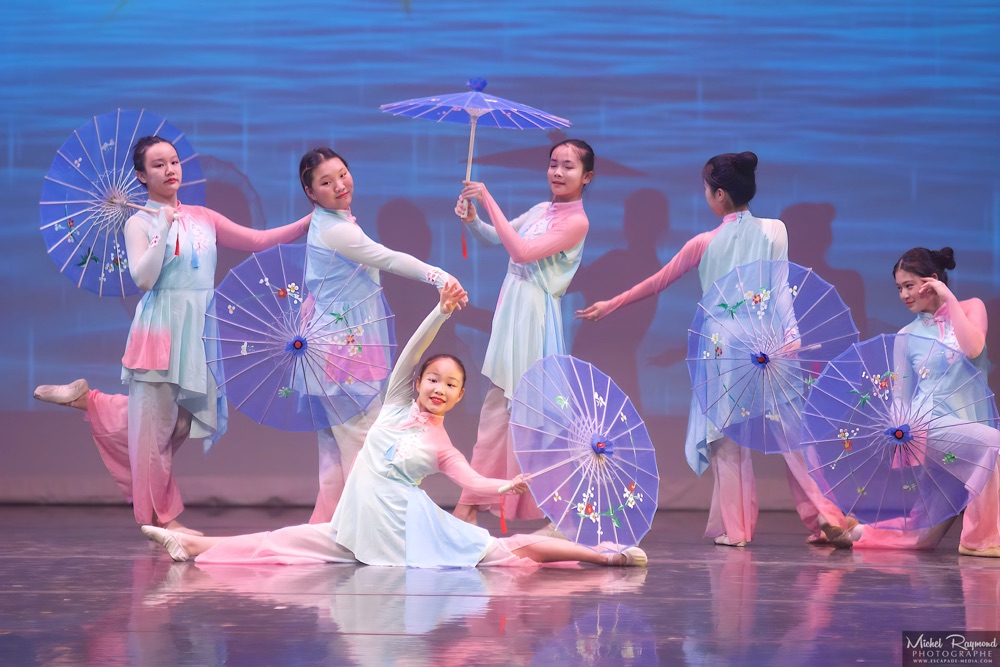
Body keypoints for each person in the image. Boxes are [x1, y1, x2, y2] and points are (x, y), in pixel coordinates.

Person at [140, 284, 648, 568]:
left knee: (506, 551)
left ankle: (605, 557)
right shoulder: (395, 406)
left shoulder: (442, 444)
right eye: (433, 379)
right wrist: (440, 313)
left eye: (451, 385)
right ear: (419, 382)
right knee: (280, 542)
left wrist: (506, 486)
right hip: (360, 524)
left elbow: (471, 481)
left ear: (460, 396)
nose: (439, 388)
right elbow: (411, 351)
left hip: (404, 529)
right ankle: (192, 544)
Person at [33, 135, 311, 533]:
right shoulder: (138, 222)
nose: (170, 170)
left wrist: (309, 221)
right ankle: (165, 521)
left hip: (199, 330)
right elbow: (144, 279)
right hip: (161, 328)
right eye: (158, 165)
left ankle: (91, 402)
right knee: (154, 436)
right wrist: (161, 228)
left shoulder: (203, 217)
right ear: (141, 176)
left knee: (177, 425)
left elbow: (258, 240)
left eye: (174, 162)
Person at [576, 151, 854, 547]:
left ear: (719, 194)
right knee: (794, 435)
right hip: (767, 341)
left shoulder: (705, 242)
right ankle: (826, 515)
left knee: (727, 441)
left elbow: (658, 281)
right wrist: (791, 334)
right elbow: (781, 289)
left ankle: (737, 530)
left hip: (722, 347)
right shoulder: (775, 229)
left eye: (707, 189)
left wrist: (611, 304)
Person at [296, 147, 467, 524]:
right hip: (344, 352)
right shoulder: (337, 230)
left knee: (336, 453)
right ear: (311, 192)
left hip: (337, 346)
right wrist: (439, 277)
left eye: (342, 174)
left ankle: (329, 531)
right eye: (326, 182)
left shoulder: (330, 221)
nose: (340, 185)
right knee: (365, 448)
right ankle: (371, 530)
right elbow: (388, 258)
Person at [450, 139, 594, 528]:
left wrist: (487, 198)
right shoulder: (541, 209)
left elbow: (522, 252)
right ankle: (471, 503)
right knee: (498, 410)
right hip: (513, 310)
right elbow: (494, 237)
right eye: (553, 164)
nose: (558, 172)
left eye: (568, 166)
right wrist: (472, 218)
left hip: (533, 315)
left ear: (587, 177)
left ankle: (558, 510)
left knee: (533, 414)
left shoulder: (577, 222)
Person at [824, 247, 1000, 557]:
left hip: (967, 427)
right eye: (899, 288)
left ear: (932, 281)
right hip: (929, 426)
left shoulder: (971, 308)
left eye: (909, 285)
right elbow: (901, 396)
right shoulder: (907, 335)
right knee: (993, 444)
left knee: (924, 534)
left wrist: (948, 298)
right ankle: (980, 541)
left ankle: (857, 533)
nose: (904, 295)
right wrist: (897, 433)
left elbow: (973, 348)